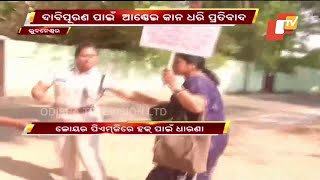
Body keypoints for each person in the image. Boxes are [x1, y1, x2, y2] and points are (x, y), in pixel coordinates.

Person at [31, 41, 162, 180]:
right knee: (66, 156)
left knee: (89, 156)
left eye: (92, 56)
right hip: (61, 118)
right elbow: (37, 90)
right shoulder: (59, 73)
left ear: (97, 59)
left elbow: (128, 94)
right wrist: (47, 99)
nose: (88, 59)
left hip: (87, 118)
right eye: (84, 55)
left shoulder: (101, 78)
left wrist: (156, 102)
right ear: (76, 57)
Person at [146, 53, 229, 180]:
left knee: (173, 174)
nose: (173, 63)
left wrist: (174, 85)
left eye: (178, 61)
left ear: (192, 65)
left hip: (201, 142)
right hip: (203, 139)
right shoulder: (196, 81)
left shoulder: (198, 81)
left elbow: (197, 106)